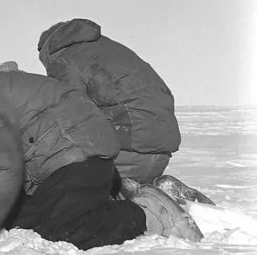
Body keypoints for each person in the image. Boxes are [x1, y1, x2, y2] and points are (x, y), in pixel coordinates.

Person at [0, 48, 201, 248]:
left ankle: (146, 213)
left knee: (64, 230)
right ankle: (115, 193)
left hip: (73, 149)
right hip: (57, 158)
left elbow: (3, 168)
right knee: (15, 221)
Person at [37, 18, 213, 206]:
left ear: (47, 49)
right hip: (160, 147)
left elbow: (68, 111)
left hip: (127, 147)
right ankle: (161, 190)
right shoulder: (107, 48)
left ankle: (147, 203)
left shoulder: (63, 59)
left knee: (68, 181)